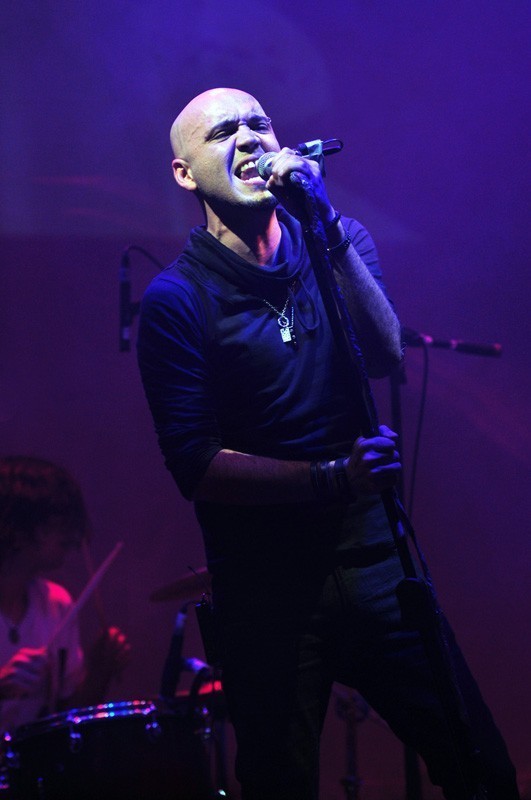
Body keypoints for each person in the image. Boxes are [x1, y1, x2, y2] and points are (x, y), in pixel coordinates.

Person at [136, 88, 519, 799]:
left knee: (482, 768)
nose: (249, 139)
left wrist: (325, 223)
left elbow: (385, 356)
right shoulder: (176, 300)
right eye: (223, 133)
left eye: (259, 123)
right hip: (266, 590)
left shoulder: (338, 239)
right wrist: (331, 477)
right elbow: (195, 463)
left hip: (377, 563)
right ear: (184, 174)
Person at [0, 456, 130, 734]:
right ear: (18, 524)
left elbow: (67, 720)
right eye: (55, 518)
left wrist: (99, 672)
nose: (71, 532)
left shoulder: (56, 602)